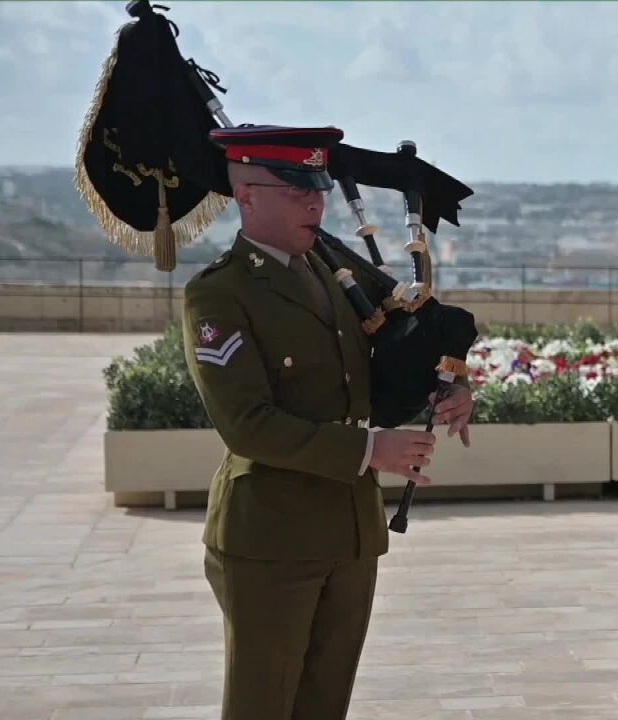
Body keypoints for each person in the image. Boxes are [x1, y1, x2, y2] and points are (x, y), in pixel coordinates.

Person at [181, 124, 473, 720]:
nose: (314, 200)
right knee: (263, 705)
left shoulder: (331, 265)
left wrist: (453, 382)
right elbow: (248, 426)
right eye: (294, 189)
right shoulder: (220, 294)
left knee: (325, 705)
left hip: (349, 532)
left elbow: (412, 335)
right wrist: (372, 450)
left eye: (317, 185)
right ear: (248, 196)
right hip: (271, 537)